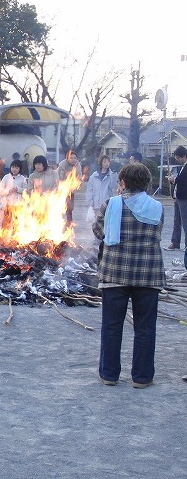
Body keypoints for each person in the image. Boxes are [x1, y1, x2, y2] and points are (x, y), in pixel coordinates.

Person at [92, 163, 165, 389]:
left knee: (112, 326)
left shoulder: (110, 204)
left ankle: (109, 375)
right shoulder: (157, 207)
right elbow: (158, 234)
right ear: (146, 182)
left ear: (122, 182)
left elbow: (98, 232)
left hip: (115, 272)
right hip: (148, 274)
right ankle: (142, 378)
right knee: (145, 327)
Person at [165, 146, 187, 251]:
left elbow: (183, 180)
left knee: (185, 222)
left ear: (184, 156)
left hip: (184, 198)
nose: (177, 160)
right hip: (177, 197)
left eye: (178, 157)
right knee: (176, 221)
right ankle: (175, 242)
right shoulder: (182, 167)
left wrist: (175, 179)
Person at [0, 158, 27, 230]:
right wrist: (8, 191)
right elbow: (0, 189)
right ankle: (4, 236)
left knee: (16, 223)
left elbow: (26, 190)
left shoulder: (22, 178)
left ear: (20, 169)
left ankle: (15, 237)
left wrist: (18, 189)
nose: (14, 169)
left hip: (18, 204)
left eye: (17, 168)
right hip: (8, 204)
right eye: (13, 167)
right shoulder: (6, 177)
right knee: (6, 222)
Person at [86, 155, 118, 219]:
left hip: (107, 203)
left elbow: (113, 186)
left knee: (106, 223)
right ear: (101, 163)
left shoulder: (111, 174)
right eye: (104, 162)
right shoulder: (94, 176)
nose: (107, 164)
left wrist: (114, 175)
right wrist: (90, 203)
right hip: (96, 204)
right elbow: (89, 190)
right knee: (97, 224)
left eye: (108, 162)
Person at [58, 150, 82, 226]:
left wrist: (77, 184)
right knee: (60, 206)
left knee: (70, 208)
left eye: (75, 158)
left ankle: (69, 222)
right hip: (61, 188)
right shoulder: (62, 164)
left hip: (71, 189)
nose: (73, 160)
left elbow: (79, 178)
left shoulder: (78, 166)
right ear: (67, 158)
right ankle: (59, 221)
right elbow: (60, 178)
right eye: (71, 158)